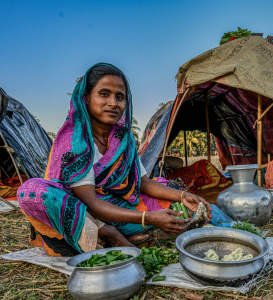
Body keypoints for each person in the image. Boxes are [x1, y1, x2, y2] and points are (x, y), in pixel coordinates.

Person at [17, 63, 212, 256]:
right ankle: (108, 233)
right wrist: (148, 218)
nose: (113, 103)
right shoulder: (75, 142)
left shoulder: (123, 139)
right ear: (86, 98)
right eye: (104, 94)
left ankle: (136, 235)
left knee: (184, 206)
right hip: (87, 212)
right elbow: (92, 203)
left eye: (120, 97)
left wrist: (181, 197)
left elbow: (143, 183)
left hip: (119, 207)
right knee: (32, 191)